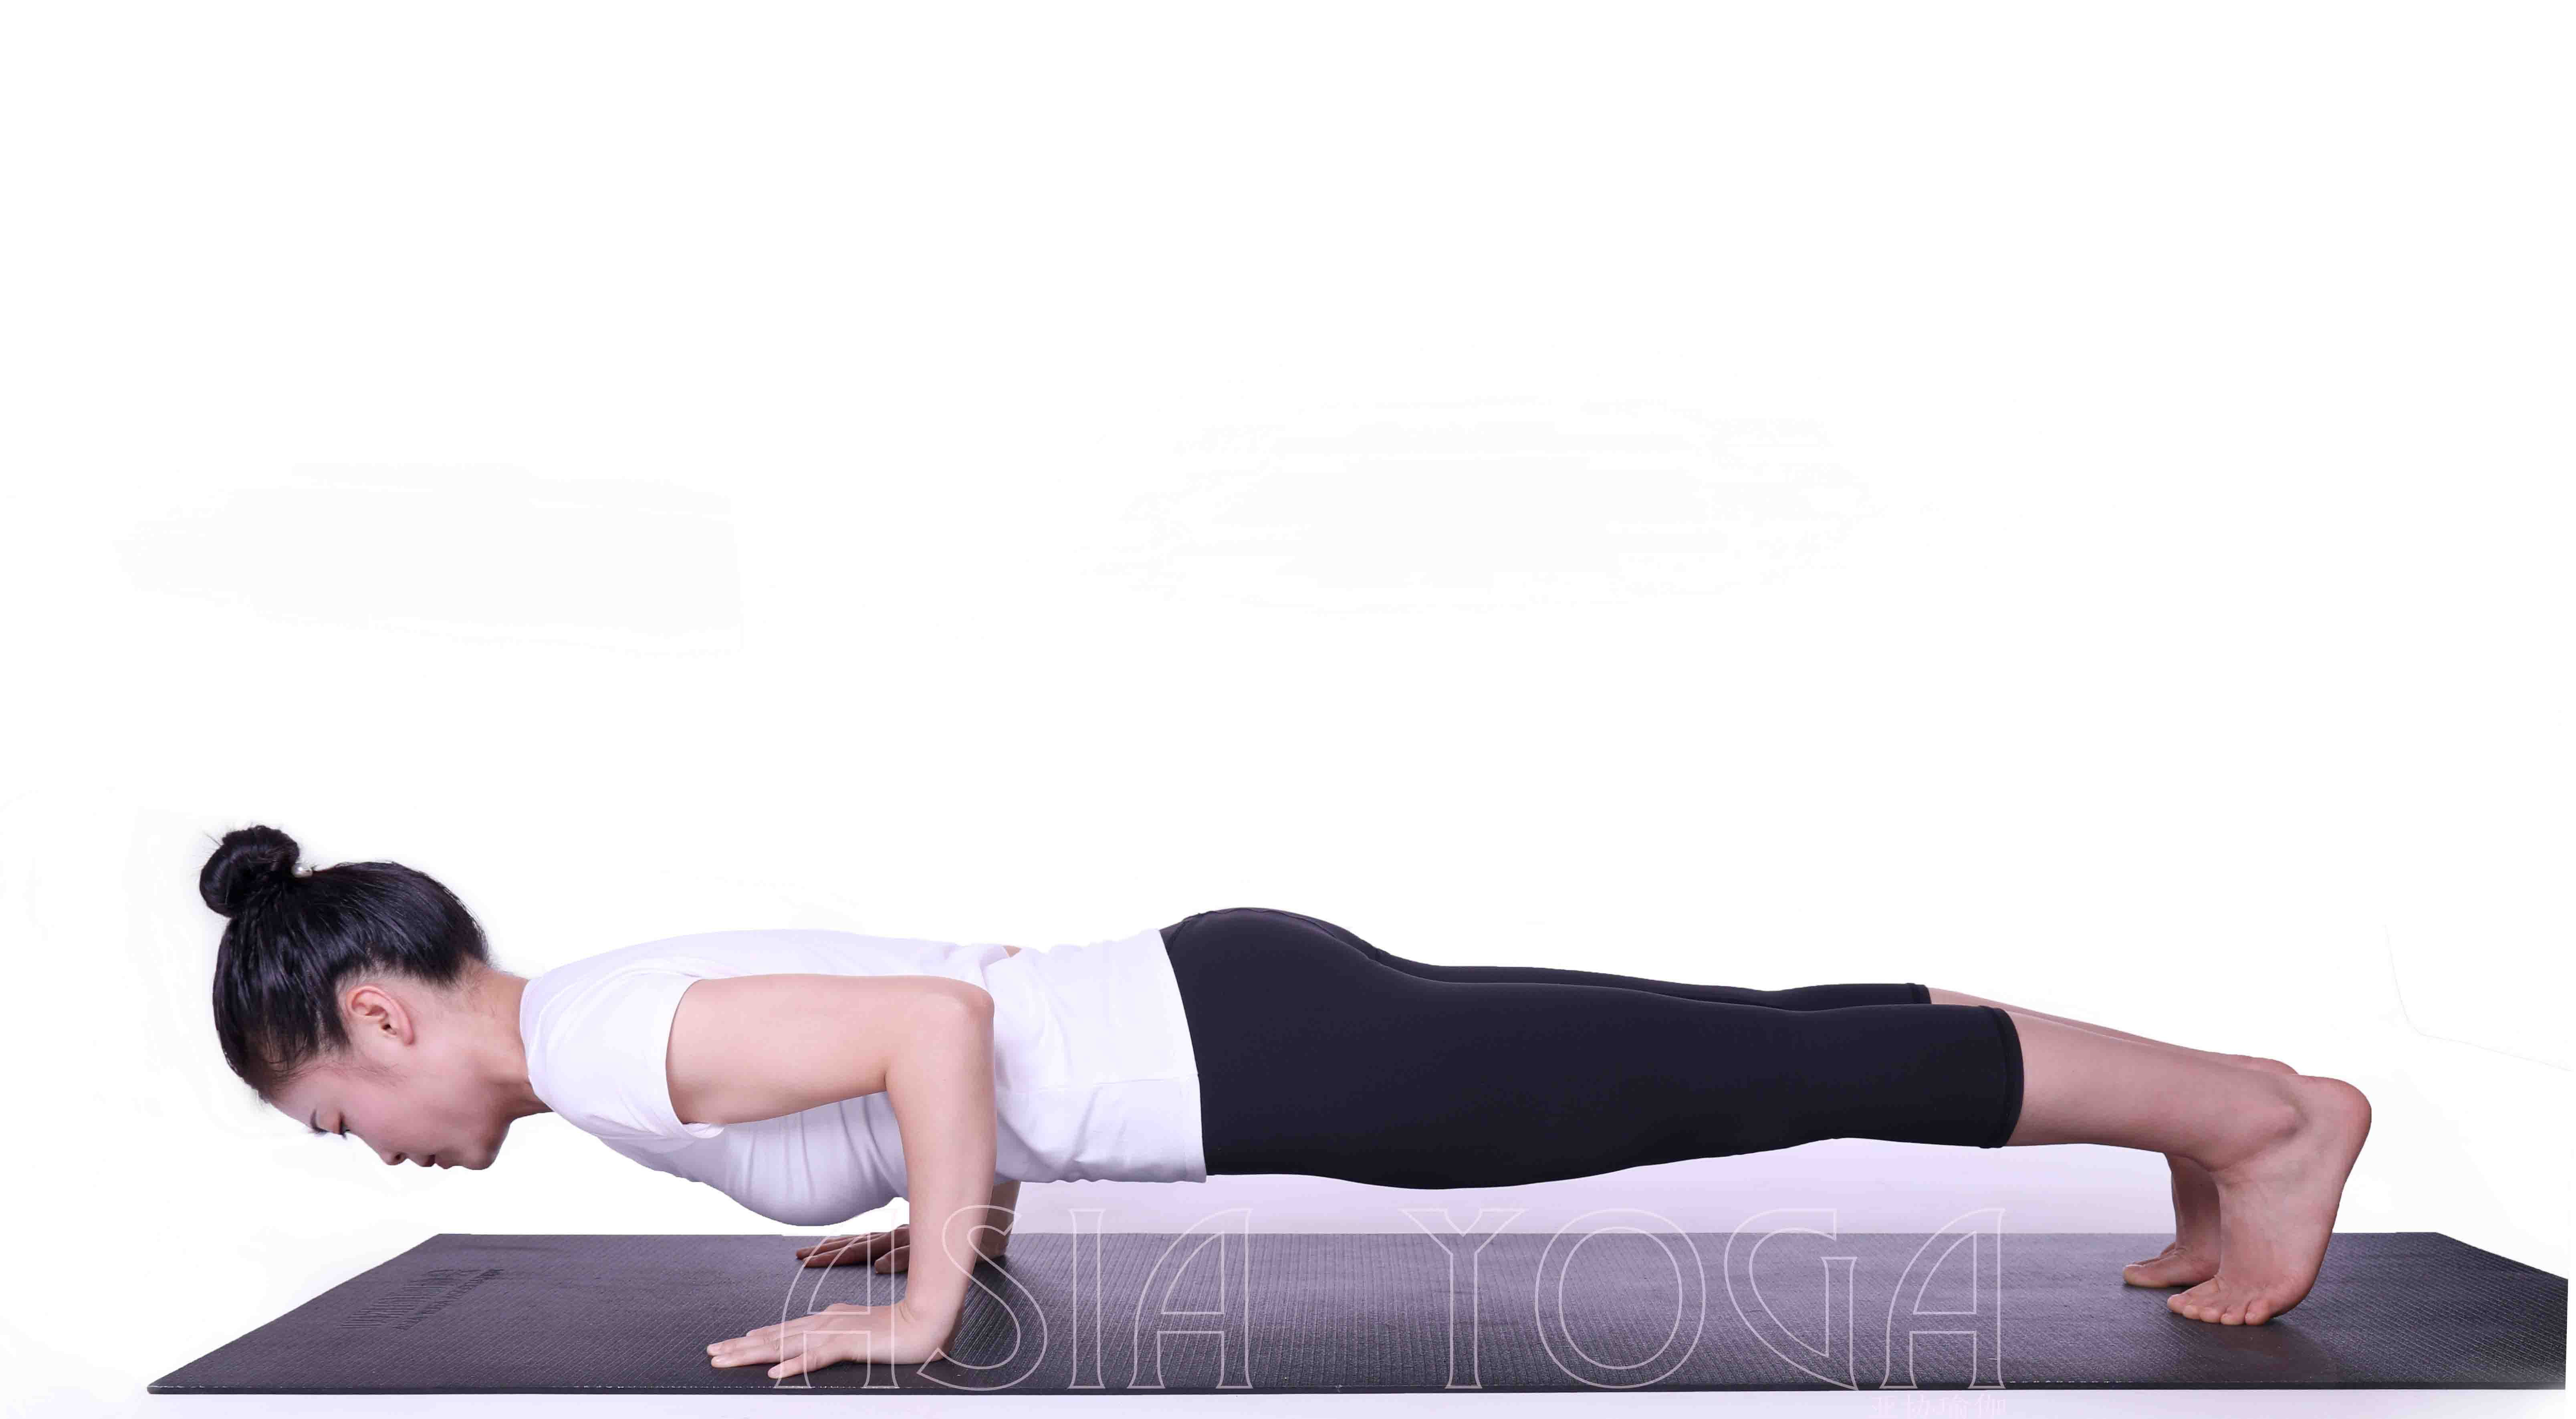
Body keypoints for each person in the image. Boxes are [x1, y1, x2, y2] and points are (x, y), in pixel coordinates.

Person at [195, 826, 2371, 1378]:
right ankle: (2218, 1125)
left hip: (1256, 1054)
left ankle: (2267, 1125)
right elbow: (950, 1043)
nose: (361, 1154)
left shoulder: (596, 1046)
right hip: (1234, 1014)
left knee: (1753, 1066)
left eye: (328, 1115)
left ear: (376, 1016)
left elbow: (940, 1039)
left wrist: (925, 1310)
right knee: (1748, 1044)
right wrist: (937, 1218)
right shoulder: (603, 1028)